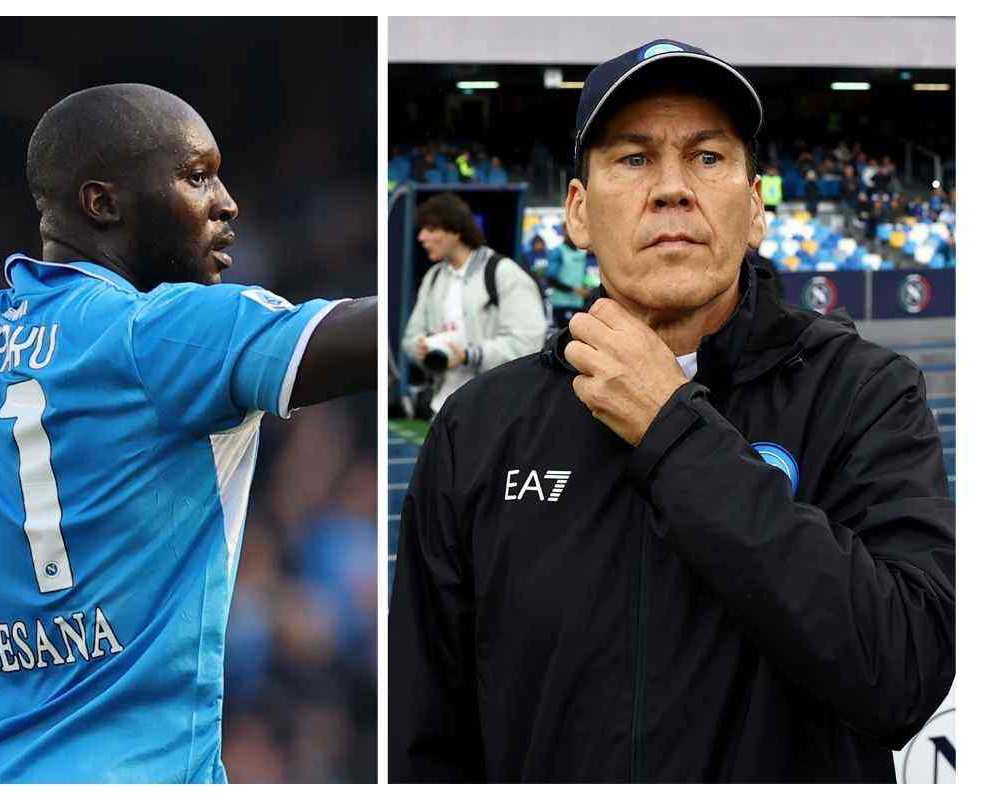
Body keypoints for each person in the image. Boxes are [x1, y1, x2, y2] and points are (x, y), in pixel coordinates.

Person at [389, 39, 953, 782]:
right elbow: (423, 743)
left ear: (756, 209)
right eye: (633, 159)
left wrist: (674, 428)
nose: (672, 189)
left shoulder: (866, 394)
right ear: (578, 214)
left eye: (708, 158)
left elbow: (904, 672)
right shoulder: (480, 428)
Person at [0, 83, 376, 784]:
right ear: (102, 203)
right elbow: (384, 333)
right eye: (197, 176)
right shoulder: (161, 333)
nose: (227, 202)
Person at [401, 192, 545, 416]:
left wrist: (470, 355)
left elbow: (528, 344)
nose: (421, 237)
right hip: (444, 409)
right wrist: (420, 350)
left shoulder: (504, 274)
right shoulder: (434, 278)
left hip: (497, 409)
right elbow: (411, 338)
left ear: (455, 231)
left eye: (430, 229)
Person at [543, 237, 594, 328]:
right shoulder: (558, 251)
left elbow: (582, 275)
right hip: (561, 304)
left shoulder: (582, 253)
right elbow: (551, 279)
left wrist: (586, 288)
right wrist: (573, 290)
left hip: (578, 304)